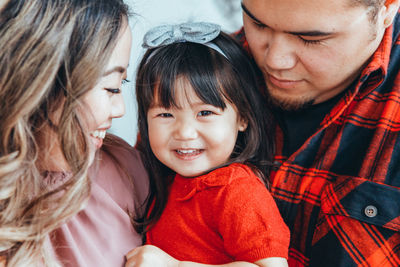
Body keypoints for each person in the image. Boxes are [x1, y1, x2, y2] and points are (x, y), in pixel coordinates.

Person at [235, 0, 400, 266]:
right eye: (258, 24)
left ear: (387, 8)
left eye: (311, 38)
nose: (275, 60)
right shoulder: (199, 75)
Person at [125, 22, 290, 267]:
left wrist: (175, 266)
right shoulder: (162, 181)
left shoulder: (237, 190)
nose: (185, 133)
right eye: (165, 115)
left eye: (205, 113)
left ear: (242, 117)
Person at [0, 0, 148, 266]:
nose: (121, 109)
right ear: (42, 84)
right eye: (112, 87)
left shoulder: (124, 167)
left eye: (121, 83)